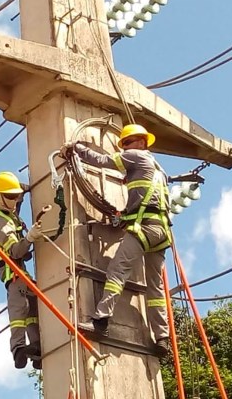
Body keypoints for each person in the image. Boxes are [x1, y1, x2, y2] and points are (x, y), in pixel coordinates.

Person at [62, 124, 172, 358]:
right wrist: (124, 216)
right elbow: (146, 202)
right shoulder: (158, 170)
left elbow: (102, 161)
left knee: (117, 271)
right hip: (161, 231)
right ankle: (162, 338)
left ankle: (101, 322)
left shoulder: (136, 156)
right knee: (156, 287)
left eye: (127, 143)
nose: (125, 148)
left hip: (145, 228)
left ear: (140, 142)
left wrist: (76, 149)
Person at [0, 171, 45, 369]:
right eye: (11, 196)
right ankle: (18, 349)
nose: (16, 199)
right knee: (19, 307)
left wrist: (29, 186)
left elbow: (19, 191)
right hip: (13, 269)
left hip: (22, 270)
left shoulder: (10, 207)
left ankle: (37, 348)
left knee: (34, 308)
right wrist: (30, 238)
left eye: (16, 195)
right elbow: (15, 251)